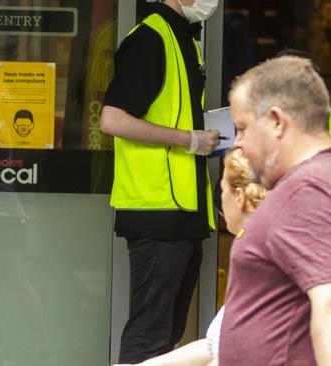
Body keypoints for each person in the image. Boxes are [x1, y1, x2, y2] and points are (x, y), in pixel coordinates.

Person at [99, 0, 220, 362]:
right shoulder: (151, 38)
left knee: (166, 334)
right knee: (149, 335)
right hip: (157, 209)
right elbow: (113, 119)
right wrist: (188, 139)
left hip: (182, 211)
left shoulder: (183, 37)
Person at [219, 56, 331, 365]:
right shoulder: (310, 182)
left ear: (277, 121)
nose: (237, 144)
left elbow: (328, 304)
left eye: (242, 128)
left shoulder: (308, 188)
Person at [113, 148, 269, 366]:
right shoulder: (260, 252)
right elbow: (216, 345)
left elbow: (229, 354)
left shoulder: (261, 260)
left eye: (222, 189)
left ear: (239, 198)